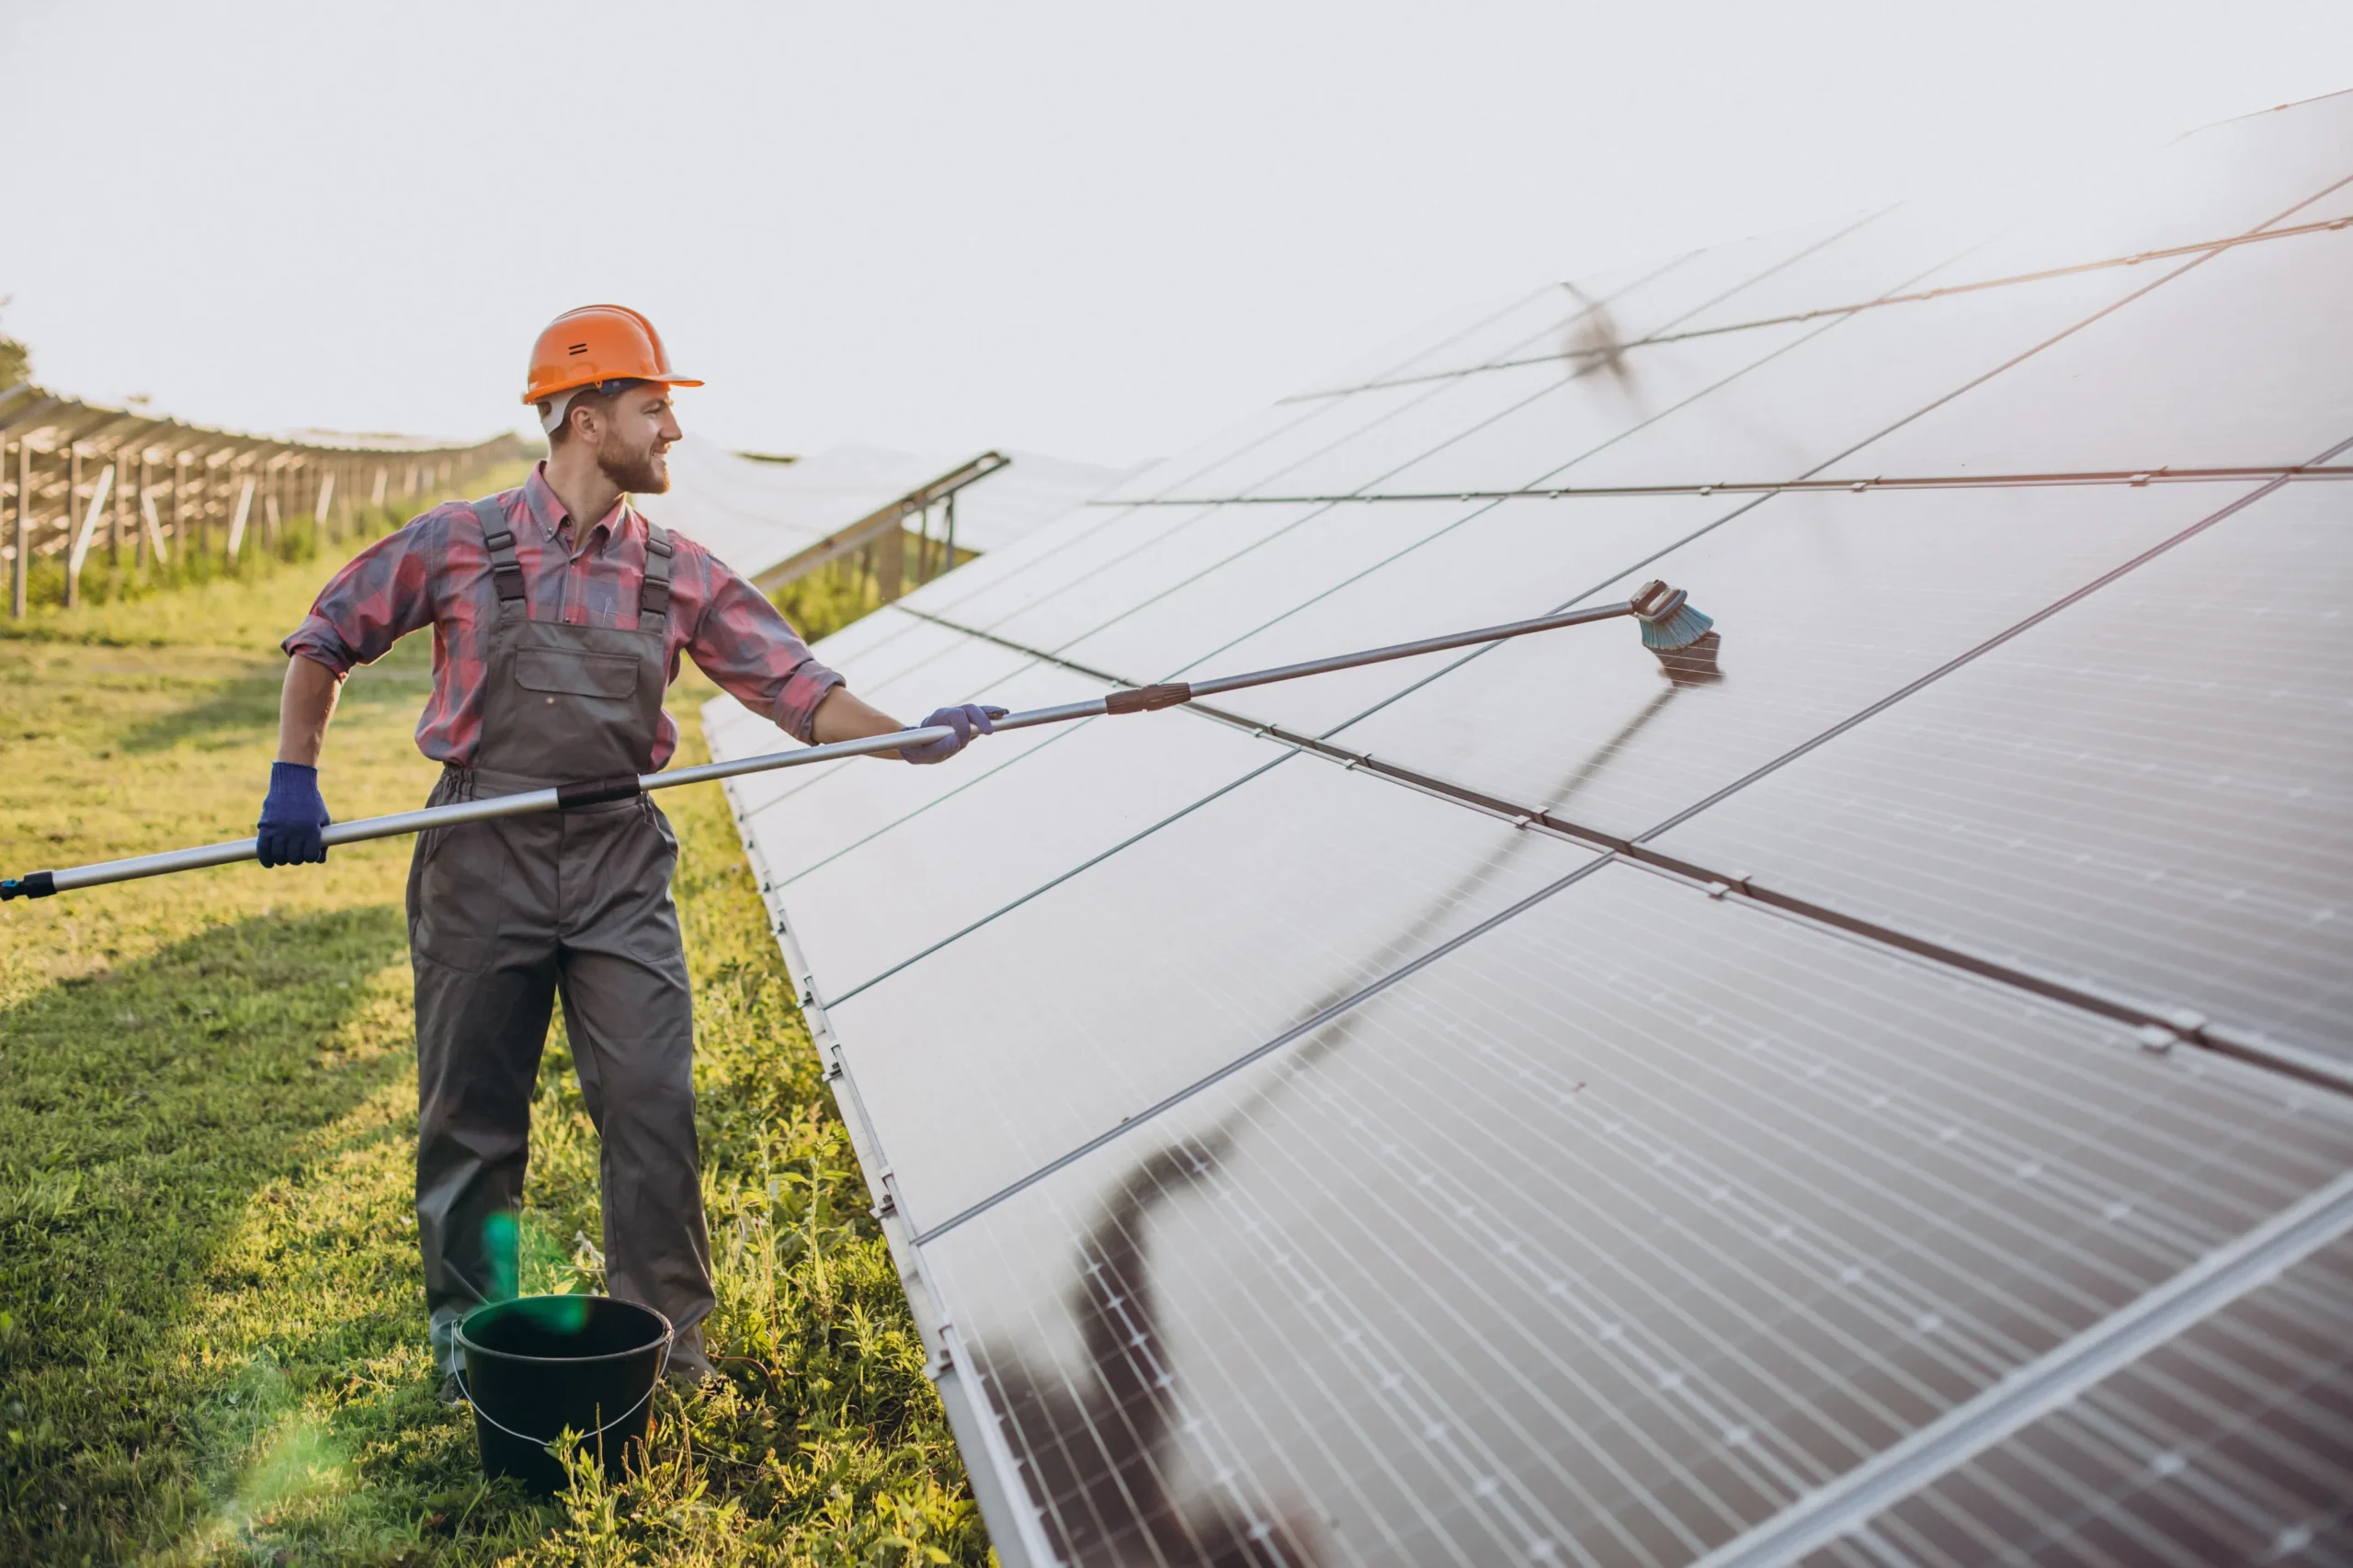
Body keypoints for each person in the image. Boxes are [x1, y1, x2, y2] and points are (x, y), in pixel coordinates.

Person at [256, 304, 997, 1396]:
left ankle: (668, 1345)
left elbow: (796, 687)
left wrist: (905, 739)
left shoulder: (677, 569)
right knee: (472, 1115)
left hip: (617, 862)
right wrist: (295, 775)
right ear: (585, 415)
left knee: (652, 1104)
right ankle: (472, 1342)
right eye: (655, 408)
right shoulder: (458, 539)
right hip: (479, 849)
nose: (673, 431)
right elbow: (326, 636)